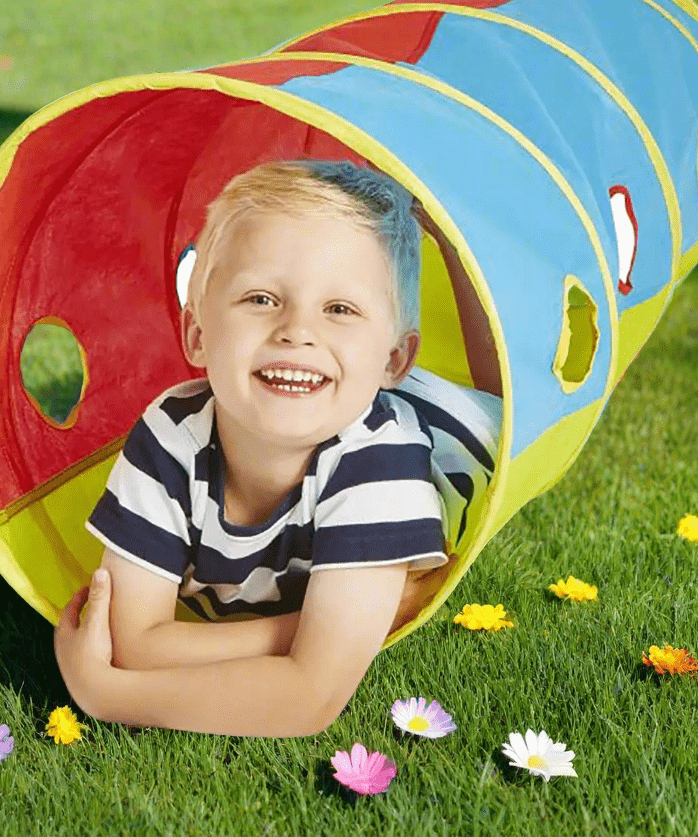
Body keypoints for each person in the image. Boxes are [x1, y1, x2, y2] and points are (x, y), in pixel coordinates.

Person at [53, 159, 503, 737]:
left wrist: (103, 691)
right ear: (196, 334)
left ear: (395, 359)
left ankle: (451, 246)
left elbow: (306, 699)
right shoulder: (169, 435)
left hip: (452, 433)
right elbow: (135, 641)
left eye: (339, 309)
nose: (296, 330)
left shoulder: (382, 463)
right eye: (262, 298)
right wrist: (320, 626)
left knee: (499, 403)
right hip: (334, 380)